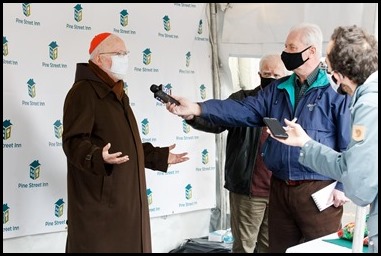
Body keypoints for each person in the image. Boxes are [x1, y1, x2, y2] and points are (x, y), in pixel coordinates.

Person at [166, 23, 352, 253]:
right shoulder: (277, 89)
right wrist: (197, 108)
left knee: (324, 250)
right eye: (285, 46)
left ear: (312, 51)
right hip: (280, 187)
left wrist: (343, 185)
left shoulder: (336, 92)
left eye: (291, 47)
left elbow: (349, 143)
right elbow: (241, 109)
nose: (286, 52)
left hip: (318, 190)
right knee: (277, 250)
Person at [62, 32, 189, 253]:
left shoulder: (117, 92)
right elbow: (73, 142)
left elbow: (124, 145)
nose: (124, 58)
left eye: (126, 53)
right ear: (99, 58)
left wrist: (157, 156)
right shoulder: (83, 92)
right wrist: (97, 155)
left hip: (125, 200)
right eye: (118, 53)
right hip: (102, 205)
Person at [268, 25, 378, 253]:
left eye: (328, 67)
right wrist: (305, 144)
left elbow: (360, 190)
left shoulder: (368, 106)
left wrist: (306, 145)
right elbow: (353, 165)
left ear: (338, 74)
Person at [181, 54, 287, 253]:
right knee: (244, 247)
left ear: (286, 77)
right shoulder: (243, 100)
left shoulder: (289, 103)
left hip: (279, 191)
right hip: (248, 190)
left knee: (270, 247)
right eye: (266, 74)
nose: (271, 77)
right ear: (258, 74)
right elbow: (217, 120)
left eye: (276, 74)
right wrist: (193, 115)